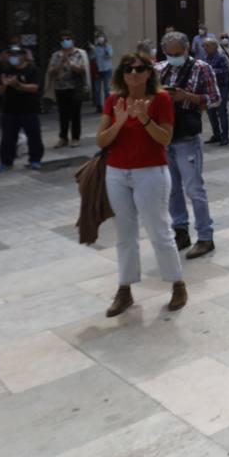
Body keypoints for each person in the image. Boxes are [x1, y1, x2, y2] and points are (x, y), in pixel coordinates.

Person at [95, 52, 187, 317]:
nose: (133, 73)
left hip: (150, 173)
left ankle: (177, 283)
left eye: (138, 69)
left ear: (149, 73)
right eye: (127, 69)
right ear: (121, 74)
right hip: (117, 173)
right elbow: (101, 141)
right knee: (124, 234)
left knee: (159, 229)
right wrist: (120, 122)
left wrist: (145, 118)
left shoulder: (161, 99)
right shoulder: (114, 100)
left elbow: (165, 139)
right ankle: (124, 289)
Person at [157, 31, 220, 258]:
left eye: (178, 53)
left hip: (187, 137)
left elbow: (215, 99)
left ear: (186, 50)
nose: (174, 57)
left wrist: (187, 97)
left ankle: (205, 237)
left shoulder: (201, 68)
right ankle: (180, 231)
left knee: (194, 189)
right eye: (169, 53)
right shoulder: (159, 70)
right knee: (172, 190)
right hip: (164, 138)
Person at [0, 45, 44, 171]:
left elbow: (35, 88)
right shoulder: (6, 70)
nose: (13, 58)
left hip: (29, 109)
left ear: (23, 55)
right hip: (10, 109)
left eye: (16, 55)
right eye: (11, 55)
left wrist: (18, 85)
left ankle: (35, 160)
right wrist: (5, 85)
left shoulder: (32, 69)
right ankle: (6, 162)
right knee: (8, 137)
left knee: (34, 136)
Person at [46, 31, 90, 148]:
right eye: (63, 39)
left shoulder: (79, 53)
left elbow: (81, 69)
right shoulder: (56, 55)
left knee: (75, 114)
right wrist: (61, 61)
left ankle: (75, 138)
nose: (66, 41)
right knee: (63, 114)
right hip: (60, 88)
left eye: (68, 39)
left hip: (75, 88)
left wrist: (69, 62)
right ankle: (63, 137)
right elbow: (51, 71)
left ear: (72, 40)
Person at [201, 38, 229, 146]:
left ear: (214, 46)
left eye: (207, 46)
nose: (205, 48)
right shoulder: (205, 58)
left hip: (221, 87)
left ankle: (225, 136)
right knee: (211, 113)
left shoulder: (221, 57)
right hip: (209, 89)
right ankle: (216, 134)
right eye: (204, 46)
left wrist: (211, 71)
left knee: (222, 112)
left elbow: (225, 71)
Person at [90, 30, 114, 111]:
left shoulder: (108, 46)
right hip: (97, 70)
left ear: (104, 38)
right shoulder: (95, 47)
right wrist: (93, 51)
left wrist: (105, 47)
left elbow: (109, 55)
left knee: (107, 89)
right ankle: (98, 106)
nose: (100, 39)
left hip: (107, 69)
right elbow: (92, 58)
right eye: (98, 37)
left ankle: (108, 106)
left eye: (101, 37)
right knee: (97, 89)